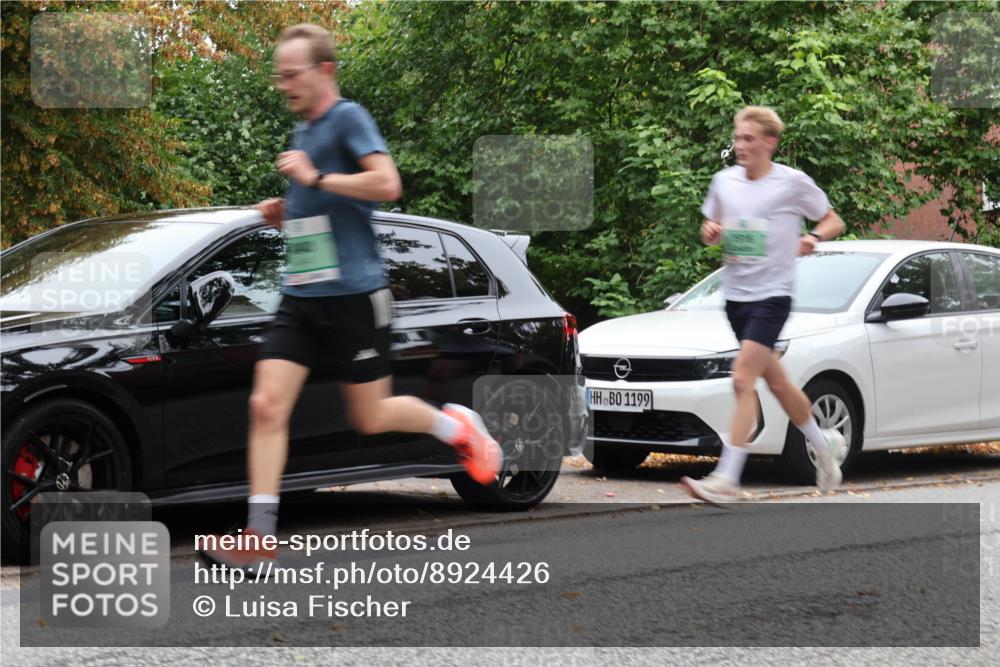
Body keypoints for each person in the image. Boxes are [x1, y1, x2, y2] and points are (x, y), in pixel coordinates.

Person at [199, 24, 501, 569]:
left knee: (371, 416)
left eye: (292, 75)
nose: (283, 85)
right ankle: (260, 535)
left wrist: (316, 179)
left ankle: (456, 427)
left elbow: (387, 185)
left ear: (325, 71)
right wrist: (285, 211)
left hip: (355, 296)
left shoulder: (349, 118)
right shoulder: (304, 133)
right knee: (265, 405)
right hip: (301, 295)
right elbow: (323, 211)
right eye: (279, 76)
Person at [680, 106, 848, 505]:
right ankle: (822, 444)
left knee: (742, 379)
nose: (740, 145)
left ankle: (727, 477)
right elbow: (711, 234)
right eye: (737, 138)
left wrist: (814, 239)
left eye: (749, 139)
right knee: (777, 382)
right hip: (736, 298)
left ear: (770, 142)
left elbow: (832, 220)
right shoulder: (724, 182)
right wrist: (711, 232)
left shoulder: (792, 183)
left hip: (773, 296)